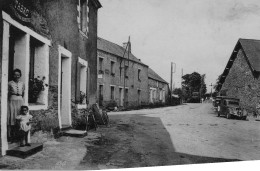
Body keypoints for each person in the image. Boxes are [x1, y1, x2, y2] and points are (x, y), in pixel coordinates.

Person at [8, 69, 25, 142]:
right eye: (15, 74)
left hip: (20, 100)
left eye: (18, 75)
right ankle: (11, 136)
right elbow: (8, 93)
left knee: (19, 117)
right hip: (12, 100)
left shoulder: (22, 83)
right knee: (12, 117)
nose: (17, 76)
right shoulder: (10, 83)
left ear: (20, 75)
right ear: (13, 75)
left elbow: (23, 92)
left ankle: (19, 136)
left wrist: (20, 98)